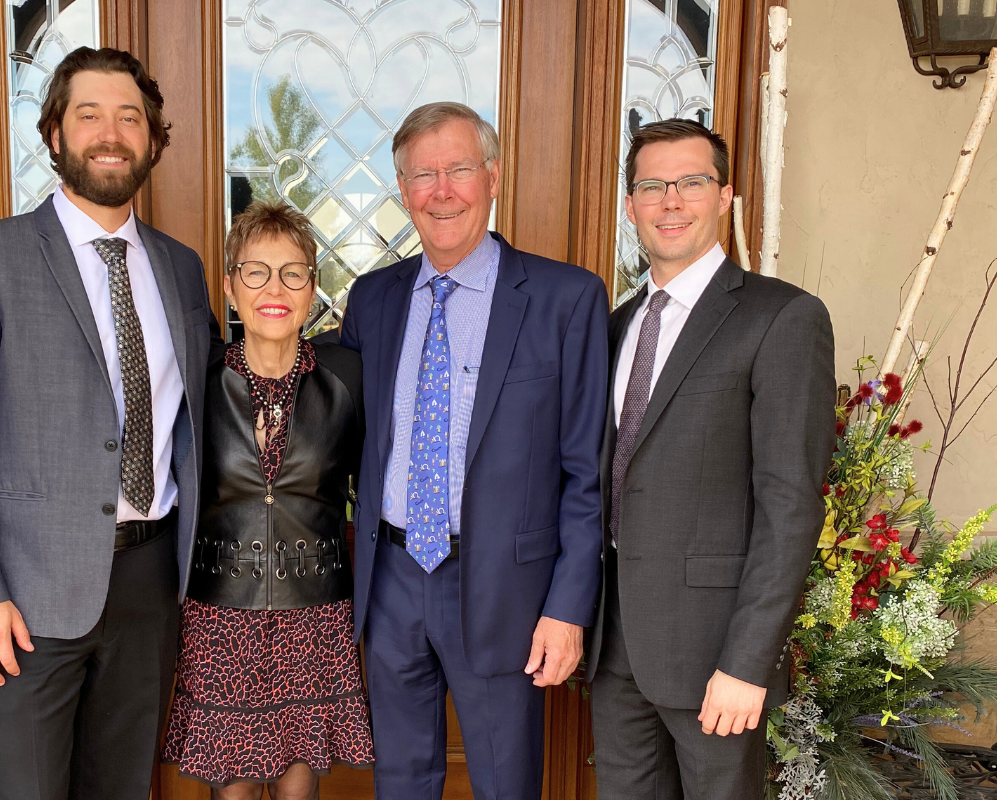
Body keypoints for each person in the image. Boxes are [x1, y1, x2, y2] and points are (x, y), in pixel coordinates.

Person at [0, 47, 219, 800]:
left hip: (149, 587)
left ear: (152, 140)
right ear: (54, 135)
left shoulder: (181, 269)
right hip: (23, 598)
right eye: (89, 115)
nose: (110, 133)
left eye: (129, 117)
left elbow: (199, 420)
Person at [338, 102, 610, 799]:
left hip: (506, 590)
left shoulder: (564, 298)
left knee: (503, 783)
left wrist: (568, 607)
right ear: (403, 190)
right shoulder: (372, 300)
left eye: (458, 169)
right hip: (392, 578)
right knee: (400, 780)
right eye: (423, 174)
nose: (442, 190)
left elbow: (587, 473)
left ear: (493, 175)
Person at [585, 118, 835, 800]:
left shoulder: (781, 317)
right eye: (651, 186)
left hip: (714, 657)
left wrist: (748, 664)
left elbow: (790, 507)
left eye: (691, 182)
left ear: (725, 197)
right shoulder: (615, 326)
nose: (671, 200)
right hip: (616, 651)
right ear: (631, 205)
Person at [161, 201, 374, 799]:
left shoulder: (349, 380)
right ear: (230, 289)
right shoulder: (194, 382)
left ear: (313, 290)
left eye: (292, 273)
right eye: (255, 271)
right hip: (220, 616)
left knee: (296, 792)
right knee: (233, 793)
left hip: (315, 614)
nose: (273, 289)